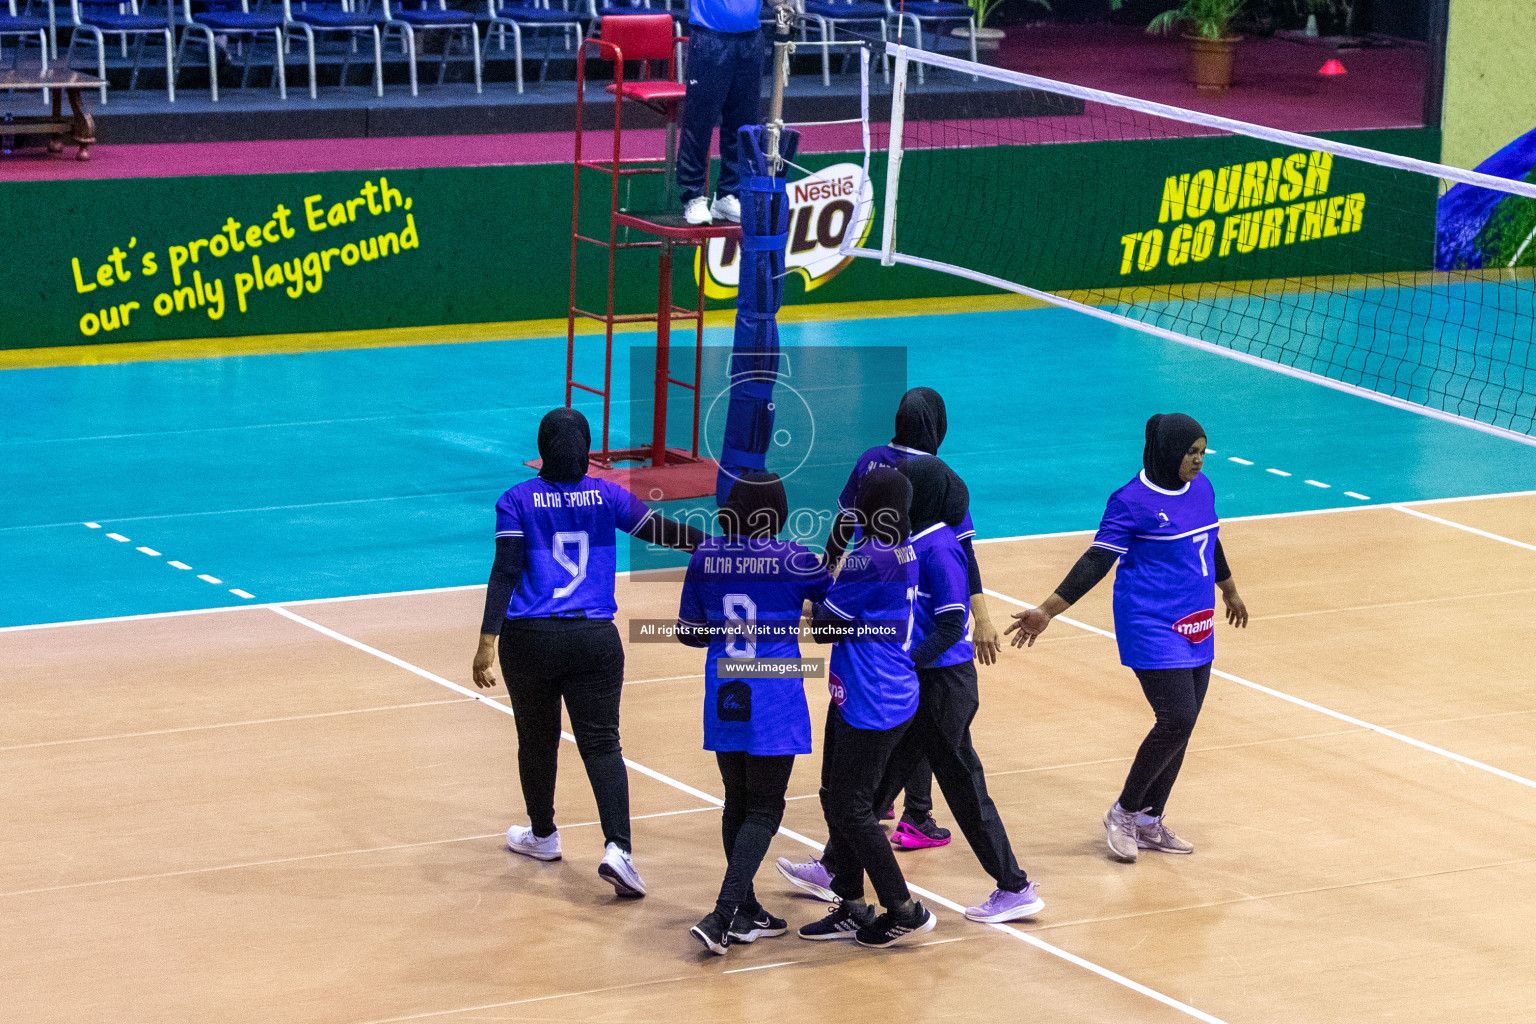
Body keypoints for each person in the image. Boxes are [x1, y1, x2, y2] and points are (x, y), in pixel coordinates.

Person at [779, 457, 1045, 924]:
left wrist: (905, 660)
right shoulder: (906, 544)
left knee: (962, 785)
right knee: (871, 790)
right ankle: (837, 873)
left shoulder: (937, 548)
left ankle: (1013, 886)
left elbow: (949, 623)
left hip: (943, 684)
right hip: (918, 682)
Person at [470, 408, 703, 897]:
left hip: (528, 641)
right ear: (587, 450)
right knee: (602, 744)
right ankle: (618, 848)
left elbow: (506, 571)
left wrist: (487, 641)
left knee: (536, 740)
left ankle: (543, 835)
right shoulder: (608, 495)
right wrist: (723, 547)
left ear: (543, 449)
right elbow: (662, 531)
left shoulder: (516, 501)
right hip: (594, 640)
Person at [1006, 413, 1249, 862]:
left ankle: (1149, 820)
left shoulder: (1204, 488)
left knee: (1186, 723)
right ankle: (1123, 811)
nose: (1197, 461)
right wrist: (1047, 610)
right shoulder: (1131, 501)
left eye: (1201, 452)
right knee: (1175, 717)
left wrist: (1229, 590)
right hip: (1150, 623)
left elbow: (1211, 541)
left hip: (1198, 621)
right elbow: (1097, 560)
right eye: (1189, 453)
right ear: (1165, 453)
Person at [824, 386, 1002, 849]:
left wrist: (827, 574)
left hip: (872, 594)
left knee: (889, 717)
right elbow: (964, 554)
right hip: (914, 617)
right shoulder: (937, 477)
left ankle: (880, 812)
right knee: (913, 715)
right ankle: (911, 814)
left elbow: (843, 522)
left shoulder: (871, 460)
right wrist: (980, 616)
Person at [675, 471, 833, 955]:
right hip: (774, 696)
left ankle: (746, 912)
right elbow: (830, 623)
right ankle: (724, 913)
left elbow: (688, 631)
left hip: (724, 689)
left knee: (736, 802)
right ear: (779, 512)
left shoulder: (705, 556)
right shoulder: (799, 560)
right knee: (766, 808)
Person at [796, 467, 938, 949]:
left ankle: (903, 908)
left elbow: (825, 627)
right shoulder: (904, 549)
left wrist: (809, 592)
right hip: (866, 690)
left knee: (852, 806)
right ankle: (852, 905)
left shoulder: (870, 559)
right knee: (835, 796)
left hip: (872, 699)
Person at [677, 0, 765, 225]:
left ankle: (729, 193)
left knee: (743, 124)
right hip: (710, 38)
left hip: (750, 40)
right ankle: (693, 196)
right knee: (699, 122)